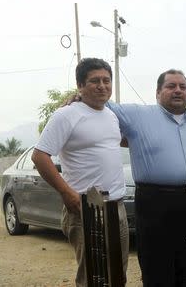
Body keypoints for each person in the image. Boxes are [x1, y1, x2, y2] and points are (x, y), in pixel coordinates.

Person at [106, 69, 186, 287]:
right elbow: (103, 103)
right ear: (158, 92)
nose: (178, 90)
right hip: (155, 206)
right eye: (171, 86)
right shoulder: (138, 115)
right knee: (157, 271)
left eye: (183, 87)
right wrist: (78, 98)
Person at [31, 58, 129, 287]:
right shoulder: (66, 115)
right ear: (80, 86)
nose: (102, 86)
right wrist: (67, 193)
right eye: (95, 81)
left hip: (117, 206)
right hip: (87, 207)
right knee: (93, 277)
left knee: (117, 274)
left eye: (106, 80)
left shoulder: (111, 115)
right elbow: (40, 156)